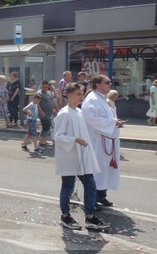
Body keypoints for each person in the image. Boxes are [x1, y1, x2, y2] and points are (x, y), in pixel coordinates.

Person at [54, 83, 110, 230]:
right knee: (68, 186)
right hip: (69, 156)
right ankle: (65, 216)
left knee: (90, 184)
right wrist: (74, 139)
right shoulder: (64, 113)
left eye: (82, 94)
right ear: (69, 95)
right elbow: (57, 136)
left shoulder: (78, 112)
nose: (82, 97)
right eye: (79, 94)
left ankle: (90, 216)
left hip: (82, 155)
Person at [81, 74, 124, 208]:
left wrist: (114, 122)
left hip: (106, 140)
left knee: (105, 169)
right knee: (97, 170)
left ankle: (101, 196)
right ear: (98, 85)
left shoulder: (102, 98)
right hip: (97, 141)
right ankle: (91, 200)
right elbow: (90, 118)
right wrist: (112, 123)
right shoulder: (92, 99)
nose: (110, 84)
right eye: (107, 82)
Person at [35, 80, 55, 149]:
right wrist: (41, 112)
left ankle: (43, 141)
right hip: (43, 113)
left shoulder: (49, 93)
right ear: (41, 86)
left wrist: (56, 110)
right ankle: (40, 142)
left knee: (47, 127)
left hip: (49, 113)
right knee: (45, 127)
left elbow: (54, 99)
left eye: (46, 87)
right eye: (43, 87)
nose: (45, 89)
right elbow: (37, 103)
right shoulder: (39, 93)